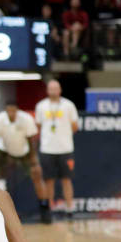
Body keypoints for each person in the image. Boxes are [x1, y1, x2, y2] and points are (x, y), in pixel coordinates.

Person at [0, 100, 51, 224]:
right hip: (4, 151)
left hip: (24, 152)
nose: (11, 113)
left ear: (17, 110)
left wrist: (34, 160)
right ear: (6, 111)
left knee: (37, 175)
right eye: (9, 110)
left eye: (13, 110)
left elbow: (31, 141)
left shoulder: (26, 119)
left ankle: (45, 209)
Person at [35, 80, 79, 219]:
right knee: (49, 181)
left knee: (67, 180)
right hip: (47, 149)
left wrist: (63, 136)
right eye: (51, 88)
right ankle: (50, 209)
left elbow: (75, 126)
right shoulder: (41, 106)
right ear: (47, 90)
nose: (53, 91)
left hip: (65, 148)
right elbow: (39, 126)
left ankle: (70, 208)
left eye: (56, 88)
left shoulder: (69, 105)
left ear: (60, 90)